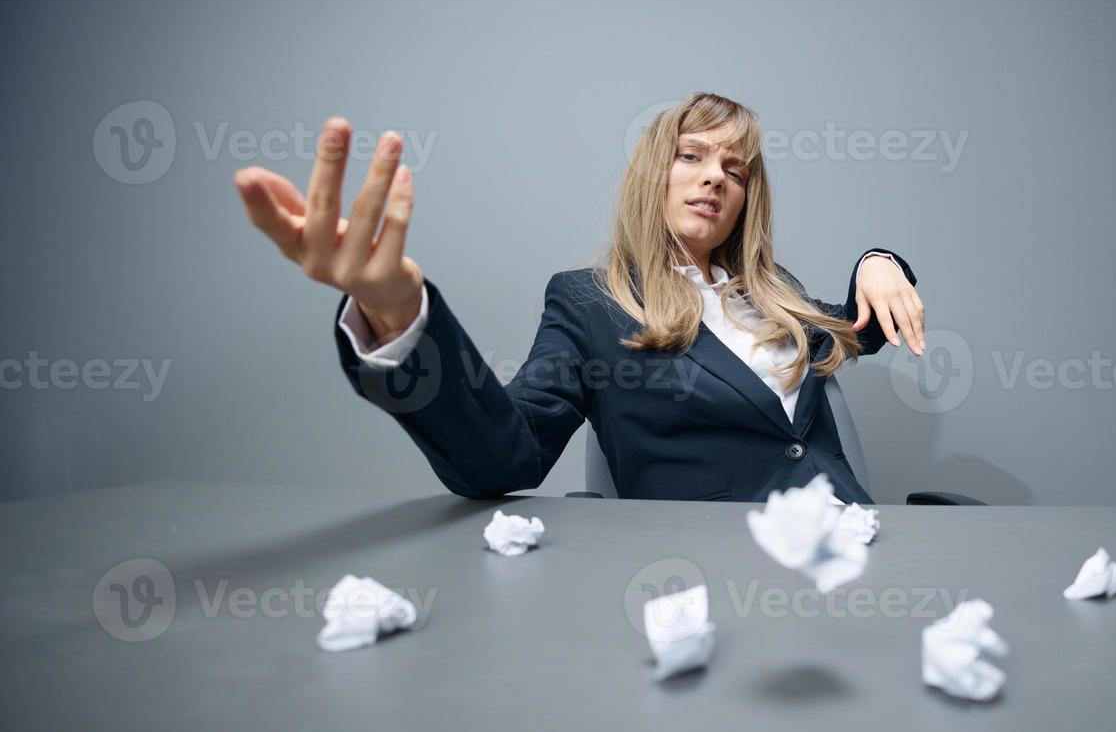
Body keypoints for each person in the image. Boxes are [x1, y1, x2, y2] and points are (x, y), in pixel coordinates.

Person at [233, 92, 926, 502]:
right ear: (655, 173)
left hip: (853, 553)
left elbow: (862, 327)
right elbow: (507, 451)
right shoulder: (589, 304)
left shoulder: (777, 297)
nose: (714, 177)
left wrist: (879, 260)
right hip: (718, 581)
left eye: (733, 169)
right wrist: (397, 314)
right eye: (691, 156)